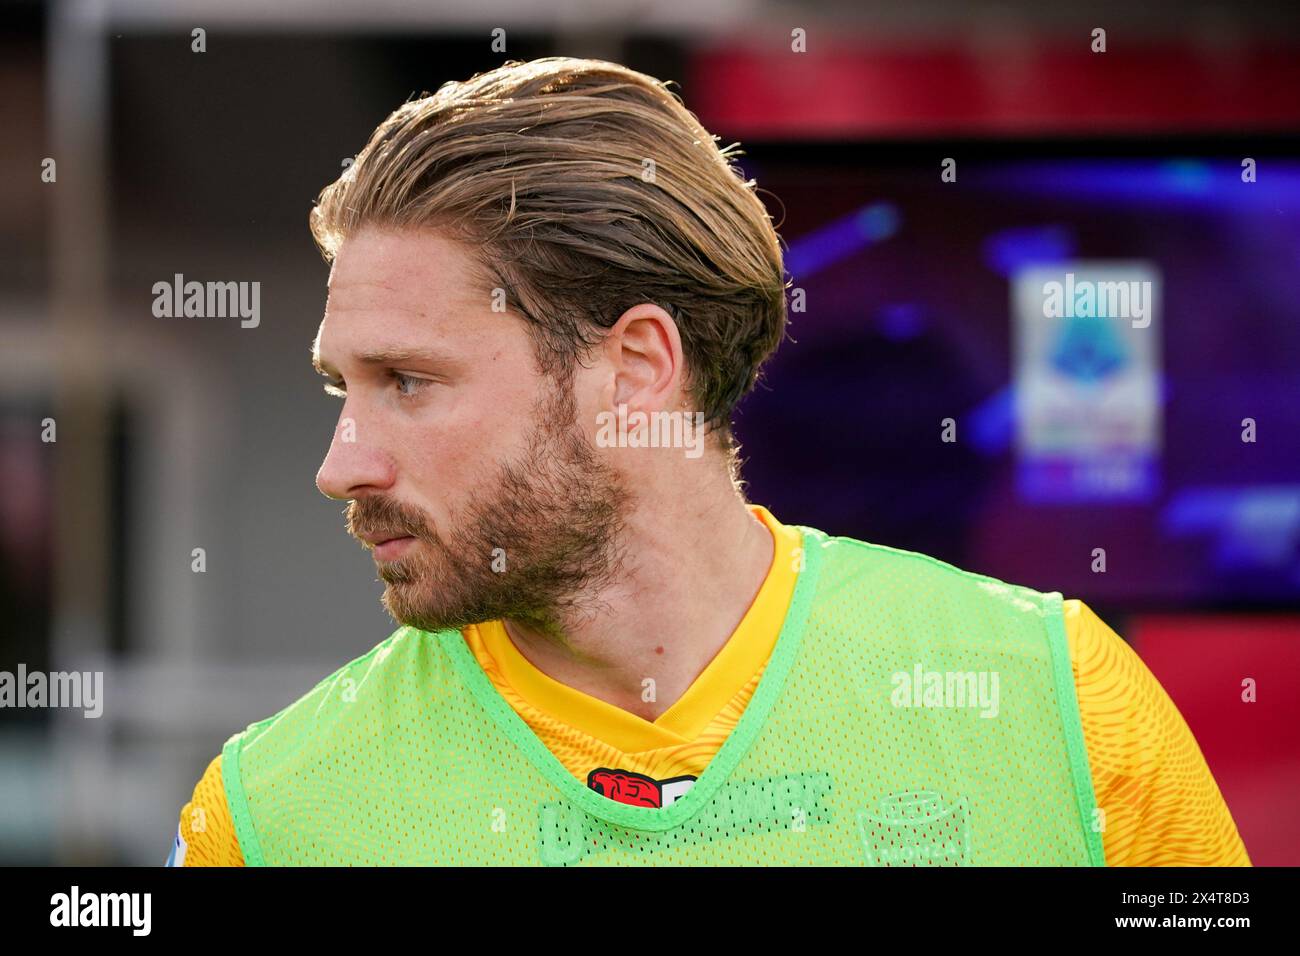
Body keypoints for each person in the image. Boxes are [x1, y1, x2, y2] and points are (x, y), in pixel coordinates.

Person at [168, 56, 1249, 866]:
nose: (341, 462)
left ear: (636, 366)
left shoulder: (1061, 708)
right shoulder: (269, 816)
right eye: (337, 386)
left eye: (408, 380)